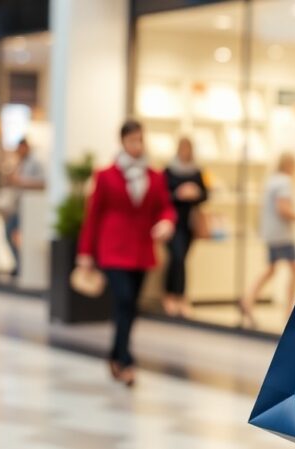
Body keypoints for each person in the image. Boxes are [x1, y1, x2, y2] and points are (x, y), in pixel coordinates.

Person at [76, 120, 176, 387]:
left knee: (130, 306)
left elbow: (165, 208)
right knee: (124, 298)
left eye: (140, 140)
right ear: (122, 141)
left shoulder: (154, 177)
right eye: (132, 140)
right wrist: (85, 253)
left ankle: (115, 354)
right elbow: (93, 216)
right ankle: (125, 359)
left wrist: (167, 222)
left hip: (141, 249)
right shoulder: (106, 176)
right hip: (113, 249)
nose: (137, 145)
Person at [240, 152, 295, 329]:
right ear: (290, 165)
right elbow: (283, 209)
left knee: (272, 269)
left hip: (271, 233)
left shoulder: (272, 181)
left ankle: (248, 300)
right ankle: (289, 310)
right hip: (282, 235)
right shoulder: (284, 182)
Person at [163, 137, 208, 317]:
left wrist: (195, 194)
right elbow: (162, 195)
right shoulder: (169, 171)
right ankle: (173, 296)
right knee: (177, 258)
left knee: (181, 259)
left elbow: (205, 195)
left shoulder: (196, 171)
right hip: (172, 222)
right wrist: (178, 194)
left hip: (189, 223)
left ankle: (178, 296)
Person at [3, 138, 45, 275]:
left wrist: (21, 182)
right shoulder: (19, 163)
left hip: (29, 208)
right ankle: (19, 263)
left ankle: (23, 266)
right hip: (16, 206)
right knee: (9, 234)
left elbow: (42, 183)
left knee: (22, 238)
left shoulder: (36, 163)